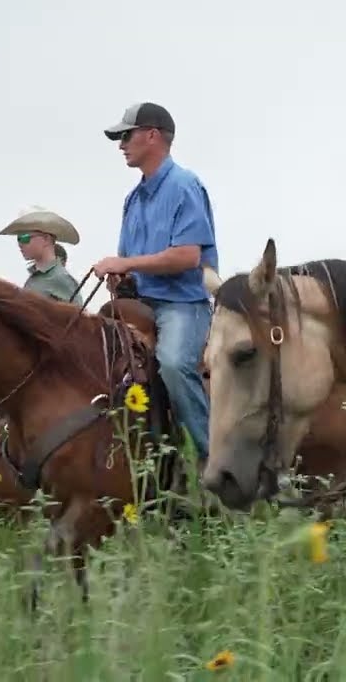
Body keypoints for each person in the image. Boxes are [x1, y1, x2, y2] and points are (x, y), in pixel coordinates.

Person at [92, 102, 218, 464]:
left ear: (153, 135)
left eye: (126, 136)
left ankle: (216, 460)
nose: (121, 145)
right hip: (140, 305)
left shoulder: (184, 186)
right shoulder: (132, 199)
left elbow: (188, 256)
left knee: (175, 365)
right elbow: (129, 262)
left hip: (183, 303)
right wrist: (121, 276)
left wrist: (125, 263)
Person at [0, 208, 85, 305]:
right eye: (18, 239)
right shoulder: (34, 279)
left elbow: (79, 317)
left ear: (46, 239)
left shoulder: (61, 278)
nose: (20, 244)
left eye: (25, 238)